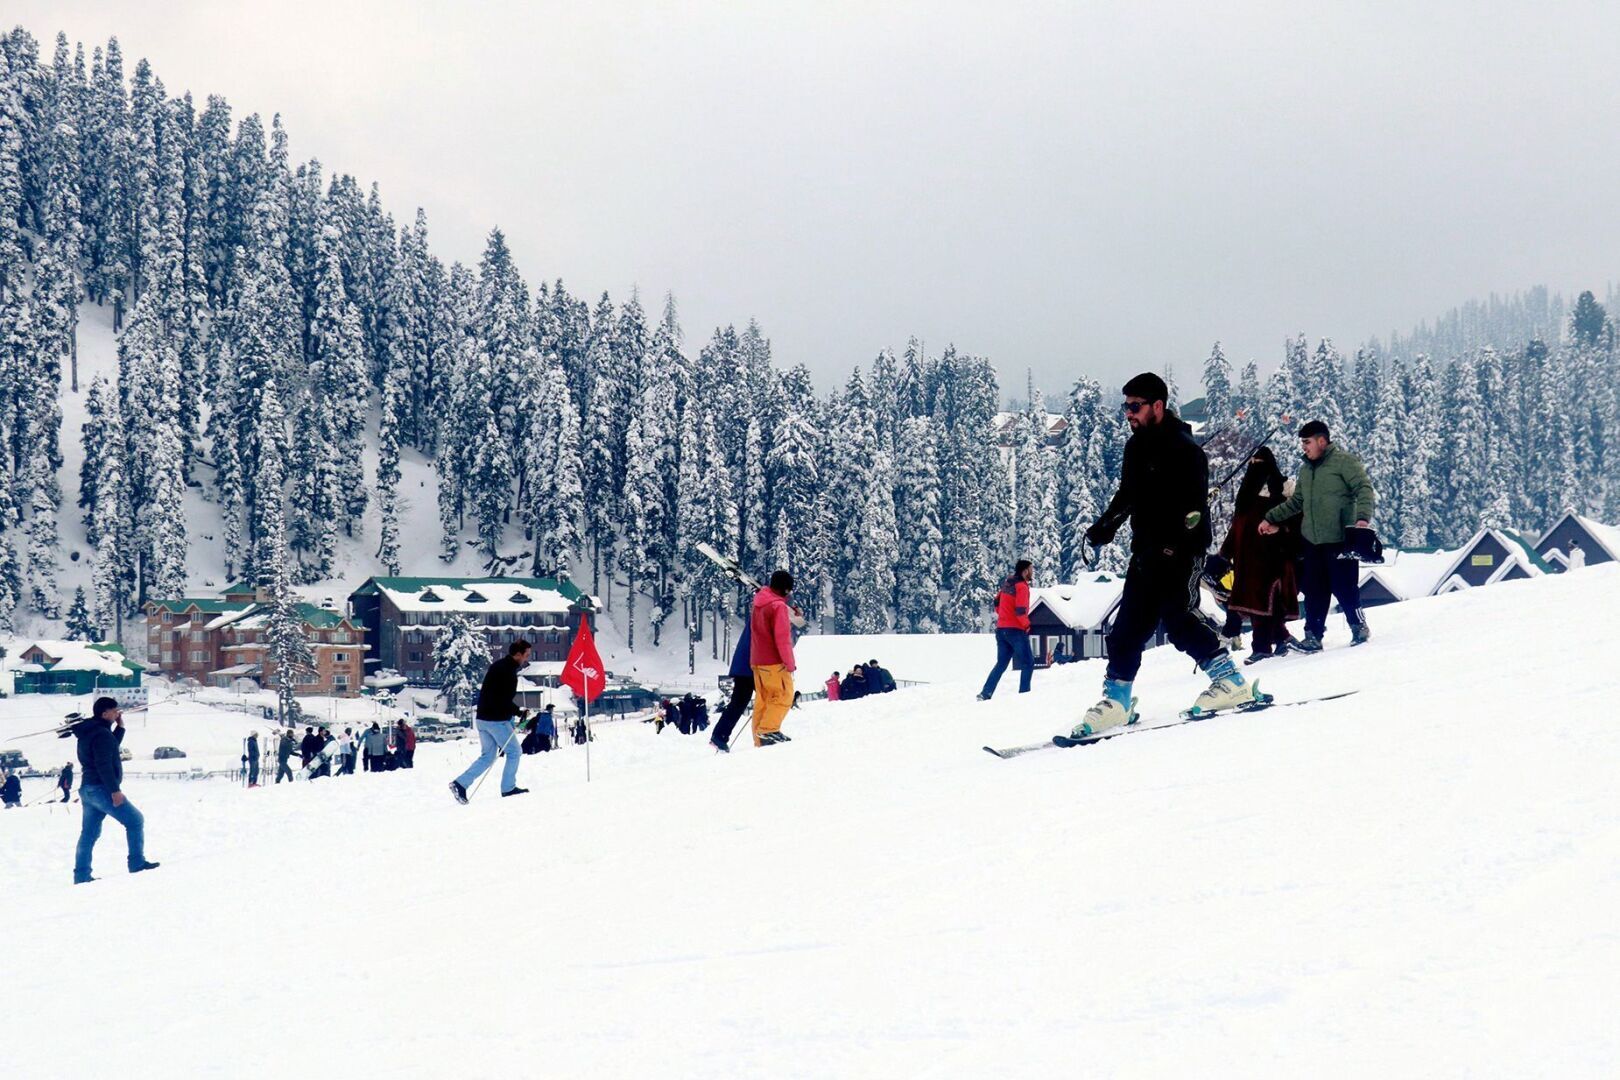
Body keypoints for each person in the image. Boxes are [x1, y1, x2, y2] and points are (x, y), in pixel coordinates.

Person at [1076, 373, 1256, 735]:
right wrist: (1104, 527)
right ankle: (1117, 701)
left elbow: (1192, 511)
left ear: (1158, 406)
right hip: (1145, 551)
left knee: (1178, 619)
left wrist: (1174, 547)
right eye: (1126, 406)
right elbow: (1128, 494)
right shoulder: (1136, 447)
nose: (1129, 413)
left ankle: (1230, 681)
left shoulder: (1184, 450)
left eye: (1136, 406)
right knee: (1127, 628)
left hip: (1181, 552)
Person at [1259, 419, 1376, 650]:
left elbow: (1364, 488)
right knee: (1314, 590)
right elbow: (1297, 502)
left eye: (1307, 442)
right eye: (1302, 442)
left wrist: (1362, 518)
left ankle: (1358, 626)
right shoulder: (1306, 469)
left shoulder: (1344, 462)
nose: (1304, 447)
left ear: (1322, 441)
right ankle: (1313, 636)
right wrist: (1270, 517)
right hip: (1311, 541)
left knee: (1344, 588)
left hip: (1340, 539)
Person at [1220, 446, 1300, 664]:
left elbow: (1295, 521)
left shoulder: (1283, 490)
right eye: (1253, 463)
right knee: (1259, 605)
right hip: (1247, 559)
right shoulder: (1246, 493)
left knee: (1265, 604)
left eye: (1260, 463)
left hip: (1274, 557)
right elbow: (1237, 526)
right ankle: (1281, 639)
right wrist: (1225, 554)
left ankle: (1262, 647)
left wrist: (1282, 530)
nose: (1256, 467)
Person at [71, 696, 159, 884]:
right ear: (105, 713)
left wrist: (120, 727)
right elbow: (103, 763)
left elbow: (110, 748)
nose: (117, 712)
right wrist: (114, 791)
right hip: (102, 789)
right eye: (114, 710)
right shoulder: (101, 734)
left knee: (89, 834)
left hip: (87, 789)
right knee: (135, 820)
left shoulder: (89, 732)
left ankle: (81, 876)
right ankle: (136, 863)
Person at [449, 640, 531, 803]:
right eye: (526, 655)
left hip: (482, 719)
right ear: (517, 654)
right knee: (514, 752)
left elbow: (496, 696)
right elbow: (502, 699)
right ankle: (508, 788)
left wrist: (515, 711)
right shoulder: (508, 672)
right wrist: (518, 711)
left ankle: (460, 784)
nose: (526, 659)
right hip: (496, 720)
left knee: (487, 756)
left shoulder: (498, 666)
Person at [749, 570, 798, 747]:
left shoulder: (760, 602)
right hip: (774, 661)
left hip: (757, 659)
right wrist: (790, 663)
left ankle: (759, 737)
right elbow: (782, 638)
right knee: (784, 695)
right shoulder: (777, 606)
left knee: (764, 700)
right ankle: (768, 730)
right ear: (785, 589)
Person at [978, 559, 1036, 699]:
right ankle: (1024, 695)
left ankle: (985, 693)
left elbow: (996, 602)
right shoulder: (1022, 586)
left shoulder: (1007, 584)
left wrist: (1004, 615)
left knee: (1001, 664)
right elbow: (1021, 611)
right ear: (1025, 571)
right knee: (1028, 662)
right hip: (1015, 630)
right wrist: (1026, 625)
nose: (1032, 572)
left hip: (1001, 630)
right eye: (1031, 569)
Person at [711, 620, 755, 752]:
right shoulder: (765, 612)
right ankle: (720, 735)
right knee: (740, 703)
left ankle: (720, 735)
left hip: (744, 666)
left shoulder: (760, 611)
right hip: (750, 666)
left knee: (738, 703)